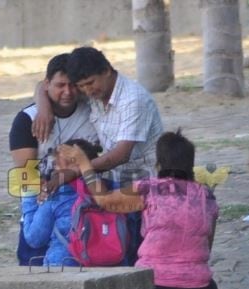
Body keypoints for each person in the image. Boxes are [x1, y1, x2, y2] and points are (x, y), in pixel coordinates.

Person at [34, 46, 164, 265]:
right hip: (108, 185)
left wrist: (74, 171)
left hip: (143, 187)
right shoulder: (94, 94)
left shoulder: (133, 100)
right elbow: (45, 84)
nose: (87, 90)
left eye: (90, 83)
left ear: (106, 71)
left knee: (134, 253)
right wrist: (44, 107)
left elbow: (120, 155)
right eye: (82, 86)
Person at [58, 130, 221, 289]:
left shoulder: (149, 189)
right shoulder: (207, 196)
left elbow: (103, 199)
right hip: (200, 288)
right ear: (191, 164)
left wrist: (84, 164)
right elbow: (206, 247)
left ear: (159, 164)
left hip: (154, 285)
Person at [9, 53, 98, 266]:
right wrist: (36, 205)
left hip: (87, 207)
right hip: (44, 207)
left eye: (73, 85)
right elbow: (26, 172)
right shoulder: (27, 120)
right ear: (47, 84)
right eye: (60, 85)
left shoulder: (93, 111)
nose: (67, 92)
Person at [21, 139, 102, 266]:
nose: (52, 170)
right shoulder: (106, 188)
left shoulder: (57, 196)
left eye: (56, 164)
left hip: (62, 264)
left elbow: (34, 238)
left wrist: (29, 197)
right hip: (106, 262)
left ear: (75, 163)